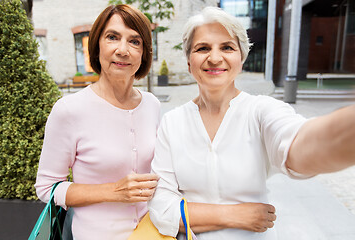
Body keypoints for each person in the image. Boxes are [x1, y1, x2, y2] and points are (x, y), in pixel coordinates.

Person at [148, 6, 355, 240]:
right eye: (202, 48)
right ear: (188, 62)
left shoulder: (261, 111)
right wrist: (236, 215)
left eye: (227, 47)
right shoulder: (172, 122)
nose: (215, 58)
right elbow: (161, 209)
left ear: (241, 58)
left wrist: (344, 131)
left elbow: (299, 144)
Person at [35, 5, 160, 240]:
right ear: (97, 45)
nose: (123, 50)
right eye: (112, 37)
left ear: (144, 53)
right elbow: (46, 188)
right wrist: (113, 191)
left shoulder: (152, 105)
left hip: (152, 233)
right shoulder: (69, 110)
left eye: (134, 41)